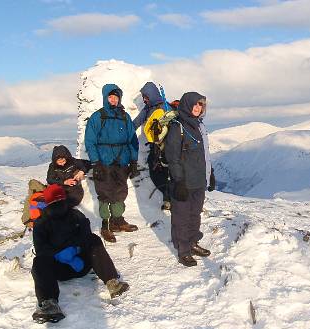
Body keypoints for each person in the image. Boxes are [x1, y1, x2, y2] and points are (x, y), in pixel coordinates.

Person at [31, 184, 129, 323]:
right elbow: (41, 249)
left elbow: (86, 236)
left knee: (94, 240)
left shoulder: (75, 215)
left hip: (81, 263)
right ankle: (48, 303)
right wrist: (60, 254)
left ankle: (112, 282)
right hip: (58, 269)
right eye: (55, 202)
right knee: (40, 261)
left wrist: (74, 250)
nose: (58, 205)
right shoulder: (42, 222)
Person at [165, 92, 216, 267]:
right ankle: (183, 250)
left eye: (201, 105)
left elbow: (204, 154)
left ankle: (193, 242)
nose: (198, 107)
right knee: (181, 217)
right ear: (187, 105)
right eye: (195, 104)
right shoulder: (177, 126)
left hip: (199, 180)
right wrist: (178, 181)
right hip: (184, 182)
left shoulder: (200, 126)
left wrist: (210, 174)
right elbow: (173, 157)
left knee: (195, 214)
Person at [84, 84, 139, 243]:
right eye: (111, 97)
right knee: (105, 193)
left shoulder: (124, 116)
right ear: (105, 98)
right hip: (104, 161)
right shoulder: (97, 117)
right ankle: (106, 225)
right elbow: (90, 141)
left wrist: (133, 161)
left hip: (122, 161)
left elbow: (132, 140)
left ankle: (118, 220)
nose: (113, 100)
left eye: (116, 97)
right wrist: (96, 163)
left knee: (120, 191)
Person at [132, 81, 171, 210]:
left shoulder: (166, 107)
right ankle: (168, 196)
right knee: (156, 173)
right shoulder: (147, 109)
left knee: (170, 173)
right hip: (155, 147)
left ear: (152, 95)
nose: (144, 99)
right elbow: (136, 122)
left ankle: (170, 200)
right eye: (143, 97)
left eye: (146, 97)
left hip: (168, 146)